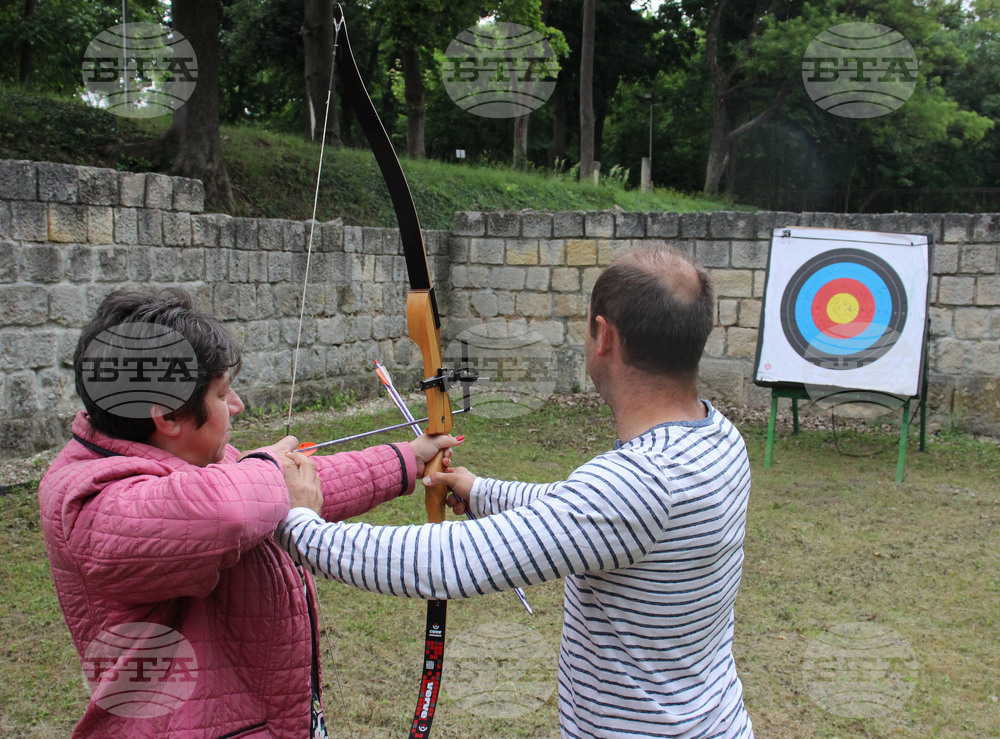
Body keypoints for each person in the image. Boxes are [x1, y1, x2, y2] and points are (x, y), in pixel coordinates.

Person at [277, 245, 755, 738]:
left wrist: (300, 526)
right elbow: (584, 515)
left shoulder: (641, 482)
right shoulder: (717, 438)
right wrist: (481, 492)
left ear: (603, 337)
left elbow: (447, 561)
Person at [38, 288, 457, 738]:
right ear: (167, 418)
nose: (236, 405)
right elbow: (233, 510)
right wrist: (268, 468)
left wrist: (408, 459)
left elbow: (293, 489)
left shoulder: (207, 469)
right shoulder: (88, 499)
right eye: (222, 393)